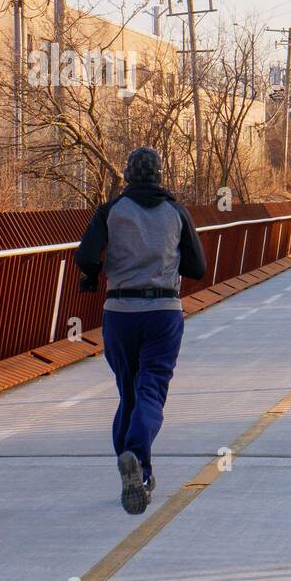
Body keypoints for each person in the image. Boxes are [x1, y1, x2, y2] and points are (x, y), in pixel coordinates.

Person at [75, 147, 207, 515]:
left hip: (120, 312)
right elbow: (198, 267)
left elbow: (86, 256)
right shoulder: (176, 211)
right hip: (163, 311)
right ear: (160, 175)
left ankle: (136, 470)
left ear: (128, 175)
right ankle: (137, 455)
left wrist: (92, 274)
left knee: (127, 392)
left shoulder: (110, 211)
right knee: (151, 388)